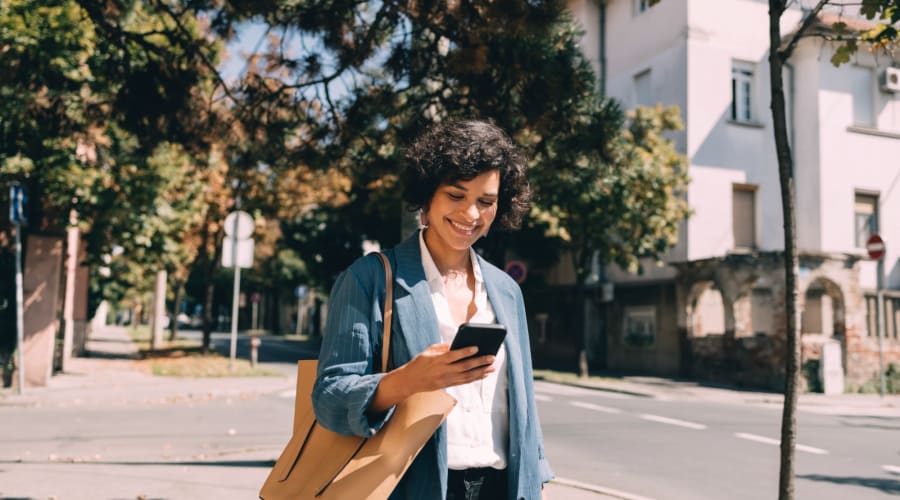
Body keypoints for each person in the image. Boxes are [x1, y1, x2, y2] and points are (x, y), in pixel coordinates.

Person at [312, 120, 553, 500]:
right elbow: (329, 398)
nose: (471, 214)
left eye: (486, 202)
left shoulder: (506, 290)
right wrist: (410, 379)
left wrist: (534, 479)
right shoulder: (368, 279)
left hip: (498, 486)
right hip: (410, 487)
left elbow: (523, 407)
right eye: (456, 195)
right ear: (427, 197)